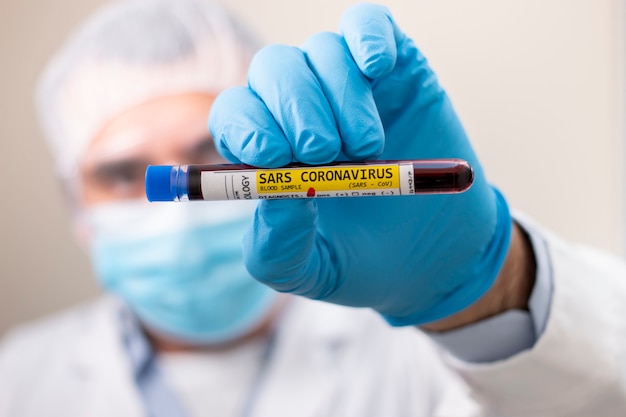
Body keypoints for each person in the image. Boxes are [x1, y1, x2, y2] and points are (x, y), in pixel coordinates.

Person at [1, 0, 625, 416]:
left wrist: (484, 292)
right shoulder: (18, 381)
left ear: (273, 150)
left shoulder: (424, 362)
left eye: (212, 154)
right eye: (120, 175)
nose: (177, 205)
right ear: (77, 207)